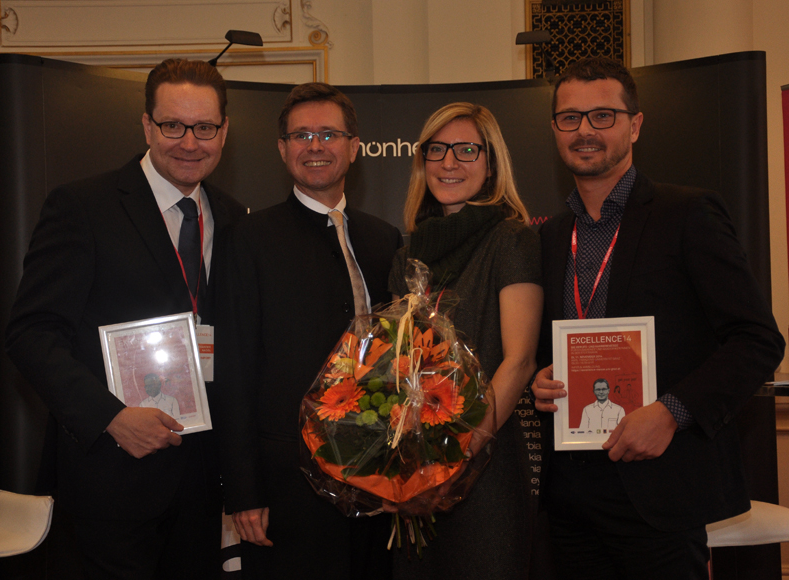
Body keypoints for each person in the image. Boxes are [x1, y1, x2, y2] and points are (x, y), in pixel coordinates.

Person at [532, 56, 785, 579]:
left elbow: (757, 340)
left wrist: (671, 411)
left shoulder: (687, 215)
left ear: (635, 124)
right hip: (571, 494)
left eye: (603, 116)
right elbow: (552, 343)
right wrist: (542, 378)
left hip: (660, 490)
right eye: (570, 118)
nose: (585, 131)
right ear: (555, 129)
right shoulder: (551, 235)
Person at [5, 58, 246, 579]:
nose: (189, 142)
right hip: (109, 482)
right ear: (146, 125)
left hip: (202, 483)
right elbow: (30, 333)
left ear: (224, 131)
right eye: (172, 125)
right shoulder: (82, 207)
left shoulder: (233, 217)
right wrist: (110, 416)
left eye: (204, 127)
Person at [215, 82, 403, 579]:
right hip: (285, 489)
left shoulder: (385, 239)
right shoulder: (249, 241)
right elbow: (233, 370)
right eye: (301, 135)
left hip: (376, 480)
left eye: (328, 134)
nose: (315, 146)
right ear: (282, 149)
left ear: (354, 146)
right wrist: (244, 491)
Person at [387, 102, 543, 579]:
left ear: (491, 162)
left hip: (483, 463)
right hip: (415, 470)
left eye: (466, 150)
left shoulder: (511, 239)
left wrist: (457, 451)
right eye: (437, 149)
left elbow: (518, 360)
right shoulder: (407, 252)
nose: (449, 162)